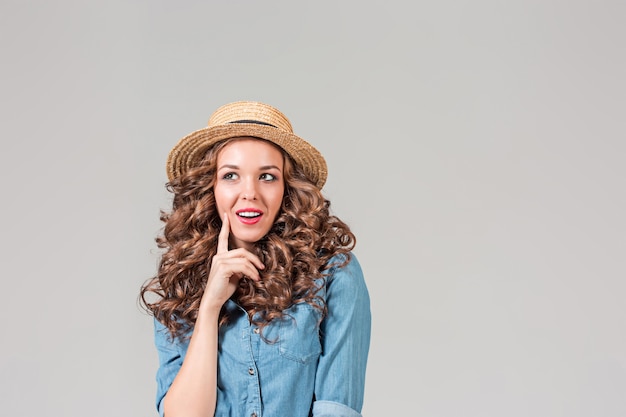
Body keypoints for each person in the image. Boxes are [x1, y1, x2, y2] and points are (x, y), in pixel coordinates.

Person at [140, 101, 371, 417]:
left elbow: (337, 409)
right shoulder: (182, 284)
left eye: (267, 177)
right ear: (210, 187)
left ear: (287, 189)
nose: (249, 193)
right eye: (231, 175)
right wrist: (210, 306)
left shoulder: (332, 275)